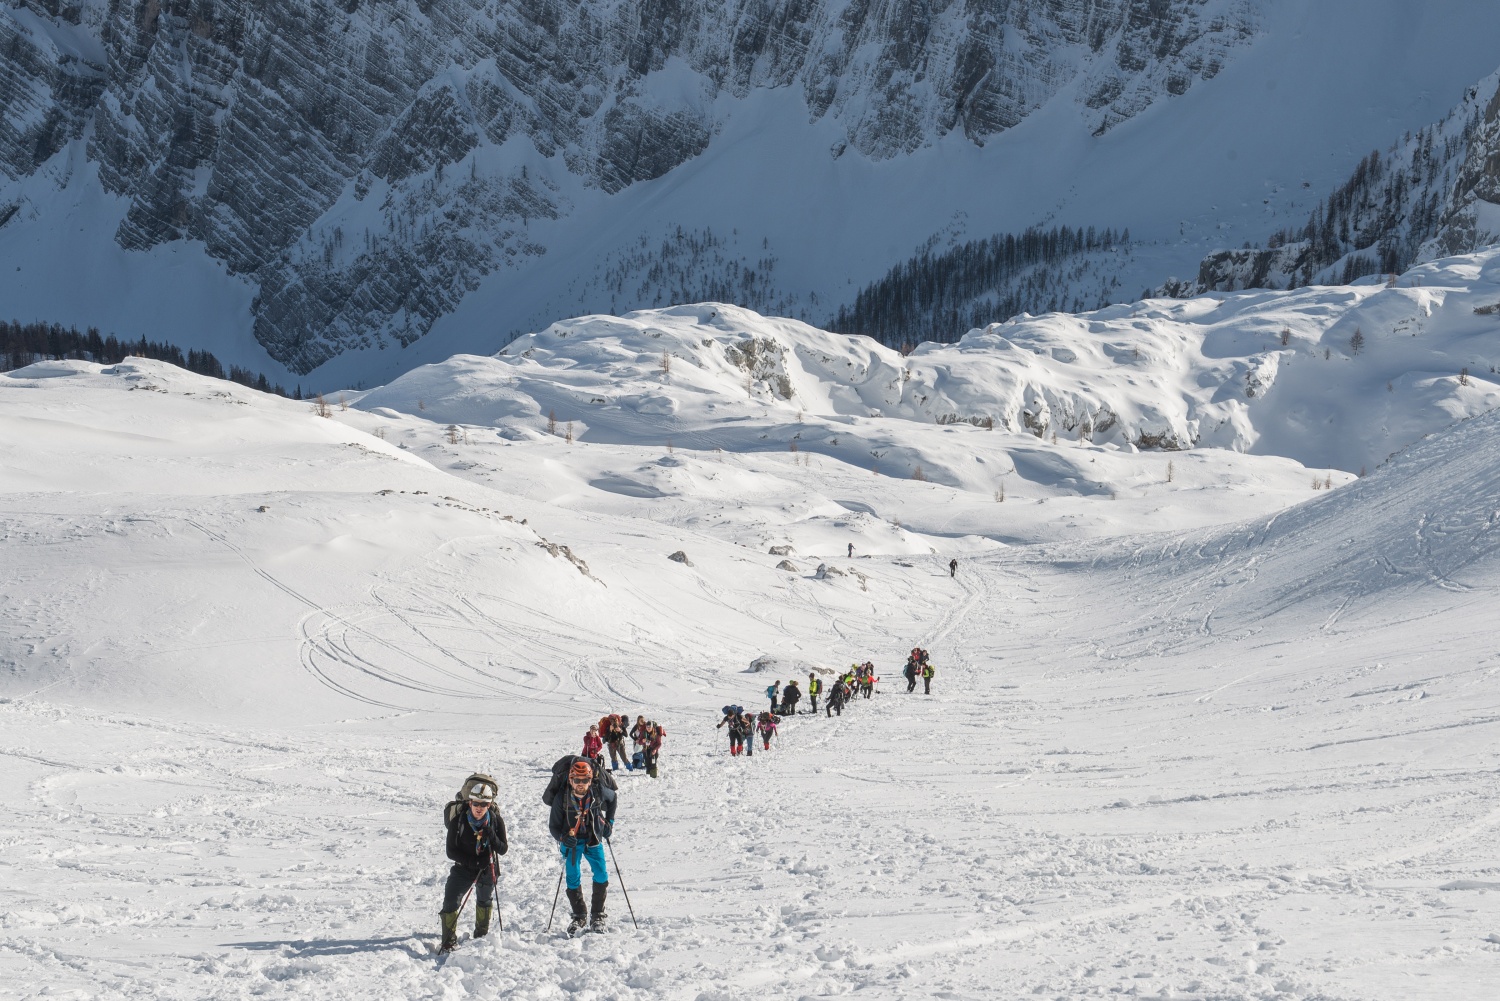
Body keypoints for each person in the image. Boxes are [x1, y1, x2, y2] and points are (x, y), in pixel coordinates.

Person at [546, 758, 617, 934]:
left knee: (601, 874)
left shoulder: (598, 791)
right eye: (577, 780)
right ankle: (579, 916)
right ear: (570, 780)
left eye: (585, 780)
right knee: (573, 877)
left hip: (593, 840)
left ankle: (597, 915)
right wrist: (563, 838)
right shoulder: (562, 798)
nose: (580, 784)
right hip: (572, 844)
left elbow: (613, 798)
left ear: (590, 780)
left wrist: (609, 822)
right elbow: (553, 826)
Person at [439, 774, 509, 952]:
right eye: (476, 803)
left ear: (489, 805)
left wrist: (492, 835)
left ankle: (481, 937)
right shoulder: (458, 821)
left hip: (487, 868)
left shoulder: (495, 821)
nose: (479, 808)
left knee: (484, 900)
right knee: (451, 901)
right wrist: (474, 861)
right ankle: (448, 941)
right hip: (463, 868)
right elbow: (451, 851)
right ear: (470, 802)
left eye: (484, 804)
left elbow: (502, 849)